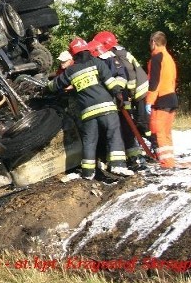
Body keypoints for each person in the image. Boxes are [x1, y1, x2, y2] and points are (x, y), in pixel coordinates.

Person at [48, 37, 130, 179]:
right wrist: (119, 95)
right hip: (106, 108)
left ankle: (87, 172)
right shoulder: (97, 63)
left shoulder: (71, 71)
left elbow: (54, 86)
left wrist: (45, 86)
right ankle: (118, 166)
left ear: (73, 54)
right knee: (113, 134)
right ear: (87, 49)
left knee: (89, 141)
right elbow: (110, 82)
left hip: (88, 112)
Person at [93, 31, 149, 171]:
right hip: (128, 95)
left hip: (130, 95)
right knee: (127, 127)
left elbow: (128, 77)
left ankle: (138, 156)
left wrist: (122, 94)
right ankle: (135, 155)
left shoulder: (116, 57)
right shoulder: (118, 53)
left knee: (131, 126)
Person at [146, 31, 178, 168]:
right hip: (171, 98)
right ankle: (170, 161)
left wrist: (149, 101)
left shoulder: (156, 57)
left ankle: (166, 163)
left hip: (161, 100)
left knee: (158, 133)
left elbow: (154, 82)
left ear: (153, 42)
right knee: (166, 132)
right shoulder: (168, 57)